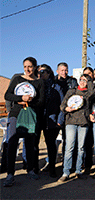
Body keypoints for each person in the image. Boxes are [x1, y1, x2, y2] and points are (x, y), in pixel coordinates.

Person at [4, 57, 45, 187]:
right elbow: (7, 95)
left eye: (30, 67)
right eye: (25, 66)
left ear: (35, 67)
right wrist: (20, 98)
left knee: (30, 144)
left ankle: (30, 170)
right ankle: (10, 174)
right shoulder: (17, 79)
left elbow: (41, 102)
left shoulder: (39, 83)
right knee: (12, 142)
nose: (27, 69)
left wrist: (29, 100)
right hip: (16, 114)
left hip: (30, 115)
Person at [58, 74, 95, 182]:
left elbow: (93, 91)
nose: (83, 82)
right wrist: (66, 108)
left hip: (83, 122)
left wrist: (90, 81)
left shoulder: (88, 93)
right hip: (71, 122)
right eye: (81, 80)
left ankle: (78, 170)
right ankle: (66, 172)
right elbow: (62, 106)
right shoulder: (71, 91)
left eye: (85, 80)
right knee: (69, 147)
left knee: (81, 148)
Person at [37, 64, 64, 178]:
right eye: (38, 72)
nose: (40, 74)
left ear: (49, 73)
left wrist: (60, 119)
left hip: (52, 120)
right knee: (34, 144)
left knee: (51, 145)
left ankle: (52, 168)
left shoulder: (56, 87)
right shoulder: (35, 86)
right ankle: (34, 168)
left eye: (43, 71)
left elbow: (63, 104)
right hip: (38, 120)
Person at [55, 62, 78, 159]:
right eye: (62, 70)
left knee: (68, 140)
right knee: (52, 141)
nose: (64, 72)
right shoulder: (52, 81)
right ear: (57, 71)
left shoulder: (72, 81)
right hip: (55, 113)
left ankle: (68, 162)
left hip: (68, 113)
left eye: (66, 70)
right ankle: (51, 163)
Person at [82, 66, 95, 174]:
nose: (87, 76)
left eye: (89, 74)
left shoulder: (94, 87)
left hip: (93, 118)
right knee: (82, 144)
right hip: (82, 118)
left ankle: (88, 165)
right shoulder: (79, 88)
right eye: (85, 74)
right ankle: (81, 164)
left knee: (89, 144)